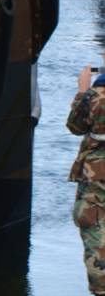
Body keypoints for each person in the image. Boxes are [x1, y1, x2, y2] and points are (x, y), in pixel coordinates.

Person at [68, 65, 105, 296]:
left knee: (94, 231)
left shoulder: (96, 96)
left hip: (97, 176)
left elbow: (75, 125)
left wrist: (83, 90)